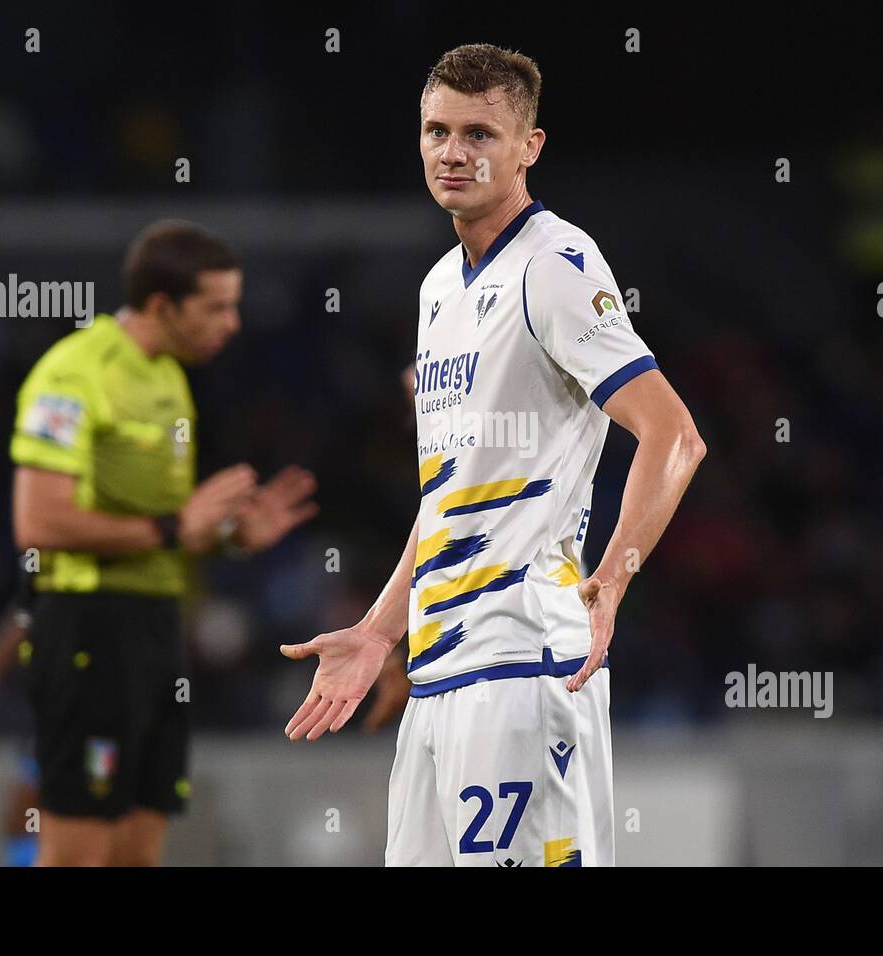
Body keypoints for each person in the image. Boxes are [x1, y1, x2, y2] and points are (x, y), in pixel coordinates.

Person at [281, 44, 705, 867]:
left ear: (529, 147)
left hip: (524, 662)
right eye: (437, 130)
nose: (453, 151)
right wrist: (379, 631)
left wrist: (612, 581)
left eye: (480, 133)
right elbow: (451, 495)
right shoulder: (439, 286)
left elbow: (674, 434)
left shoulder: (553, 265)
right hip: (441, 672)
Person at [11, 220, 318, 866]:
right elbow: (37, 523)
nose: (232, 323)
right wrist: (179, 527)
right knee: (77, 850)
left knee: (138, 848)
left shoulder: (171, 379)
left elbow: (164, 530)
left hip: (155, 628)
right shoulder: (74, 374)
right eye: (216, 307)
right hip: (87, 628)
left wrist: (231, 535)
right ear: (161, 305)